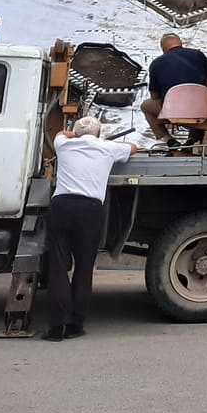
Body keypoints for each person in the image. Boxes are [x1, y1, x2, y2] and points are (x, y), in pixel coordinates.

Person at [43, 116, 136, 341]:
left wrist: (76, 134)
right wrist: (99, 139)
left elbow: (59, 134)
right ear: (99, 132)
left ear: (75, 132)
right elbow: (133, 147)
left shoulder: (64, 145)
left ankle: (56, 328)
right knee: (84, 269)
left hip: (61, 205)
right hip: (90, 209)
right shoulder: (108, 148)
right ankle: (76, 324)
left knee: (57, 267)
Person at [141, 33, 207, 144]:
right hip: (200, 109)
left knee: (145, 106)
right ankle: (192, 139)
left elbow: (155, 96)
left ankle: (168, 139)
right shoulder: (198, 55)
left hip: (172, 111)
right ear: (181, 43)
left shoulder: (156, 64)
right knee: (201, 103)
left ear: (163, 49)